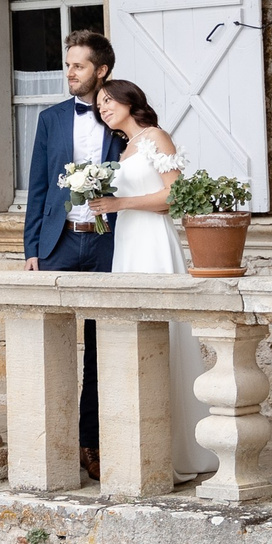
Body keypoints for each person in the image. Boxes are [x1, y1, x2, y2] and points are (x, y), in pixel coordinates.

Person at [86, 76, 216, 482]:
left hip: (154, 245)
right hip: (126, 243)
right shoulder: (122, 149)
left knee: (166, 335)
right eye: (99, 104)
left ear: (130, 101)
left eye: (109, 101)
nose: (103, 107)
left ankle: (182, 448)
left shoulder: (156, 137)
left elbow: (174, 195)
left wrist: (119, 202)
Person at [22, 32, 121, 475]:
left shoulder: (122, 117)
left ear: (100, 70)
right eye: (67, 65)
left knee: (104, 348)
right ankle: (49, 443)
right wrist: (31, 248)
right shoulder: (51, 119)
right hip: (57, 241)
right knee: (48, 346)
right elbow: (38, 186)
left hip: (106, 242)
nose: (69, 73)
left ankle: (93, 443)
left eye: (78, 65)